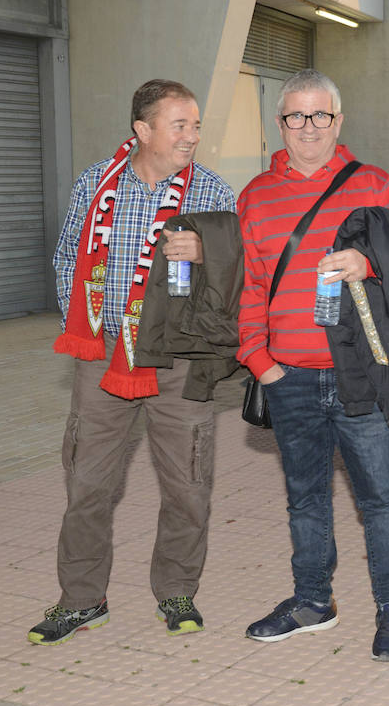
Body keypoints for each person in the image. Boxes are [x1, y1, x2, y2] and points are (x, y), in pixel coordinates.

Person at [30, 80, 236, 645]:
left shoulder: (213, 191)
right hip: (102, 357)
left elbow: (244, 272)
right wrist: (82, 328)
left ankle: (176, 590)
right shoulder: (96, 184)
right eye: (180, 125)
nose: (192, 136)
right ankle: (81, 599)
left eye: (195, 125)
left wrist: (209, 251)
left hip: (179, 359)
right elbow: (69, 253)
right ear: (143, 131)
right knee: (87, 484)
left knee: (188, 484)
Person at [238, 68, 389, 660]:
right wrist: (259, 360)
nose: (308, 128)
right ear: (280, 123)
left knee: (379, 499)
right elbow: (249, 287)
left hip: (359, 373)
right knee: (305, 498)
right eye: (295, 116)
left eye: (320, 116)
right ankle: (313, 600)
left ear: (338, 121)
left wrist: (371, 267)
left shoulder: (376, 186)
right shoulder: (256, 196)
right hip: (288, 377)